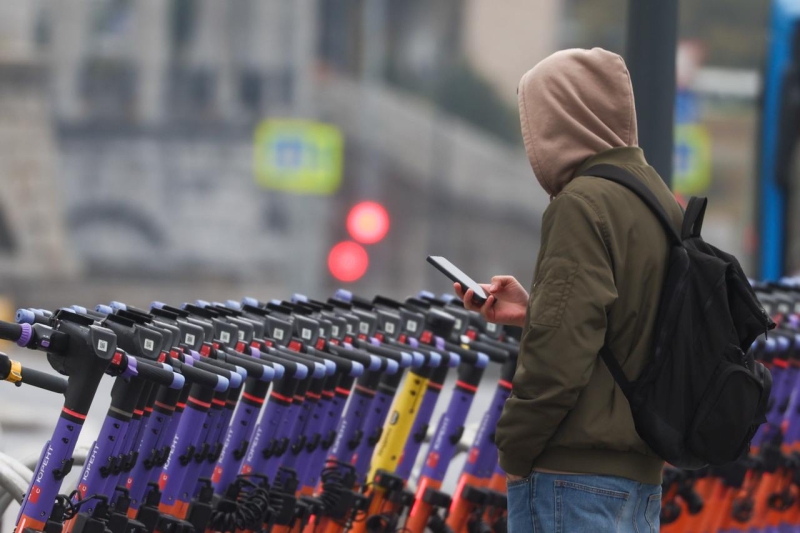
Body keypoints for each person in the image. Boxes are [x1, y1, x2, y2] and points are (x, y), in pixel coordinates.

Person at [456, 48, 683, 532]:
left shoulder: (582, 203)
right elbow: (629, 324)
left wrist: (514, 444)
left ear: (562, 121)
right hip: (639, 476)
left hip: (571, 478)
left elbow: (560, 355)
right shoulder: (655, 196)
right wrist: (534, 311)